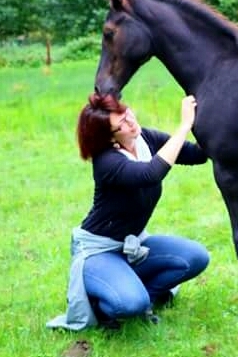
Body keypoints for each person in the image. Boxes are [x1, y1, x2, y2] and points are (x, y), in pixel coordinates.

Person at [47, 93, 209, 331]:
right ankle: (104, 305)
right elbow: (150, 174)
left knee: (196, 257)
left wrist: (206, 114)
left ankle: (144, 298)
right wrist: (184, 125)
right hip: (98, 251)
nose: (131, 122)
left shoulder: (146, 138)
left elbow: (199, 154)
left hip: (133, 243)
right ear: (108, 137)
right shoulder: (106, 162)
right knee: (131, 302)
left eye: (126, 113)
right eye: (121, 124)